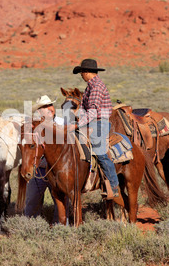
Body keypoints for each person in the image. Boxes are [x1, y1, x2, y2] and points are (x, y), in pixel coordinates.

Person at [68, 59, 119, 200]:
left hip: (99, 123)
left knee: (100, 151)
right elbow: (84, 109)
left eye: (81, 73)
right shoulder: (90, 86)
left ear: (86, 72)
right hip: (90, 122)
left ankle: (114, 186)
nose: (81, 76)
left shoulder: (96, 86)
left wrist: (77, 125)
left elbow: (93, 110)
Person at [24, 95, 64, 222]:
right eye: (44, 107)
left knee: (62, 203)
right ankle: (29, 227)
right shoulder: (33, 126)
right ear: (39, 111)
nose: (49, 108)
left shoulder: (62, 123)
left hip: (58, 171)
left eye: (50, 105)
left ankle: (60, 230)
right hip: (39, 170)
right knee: (32, 202)